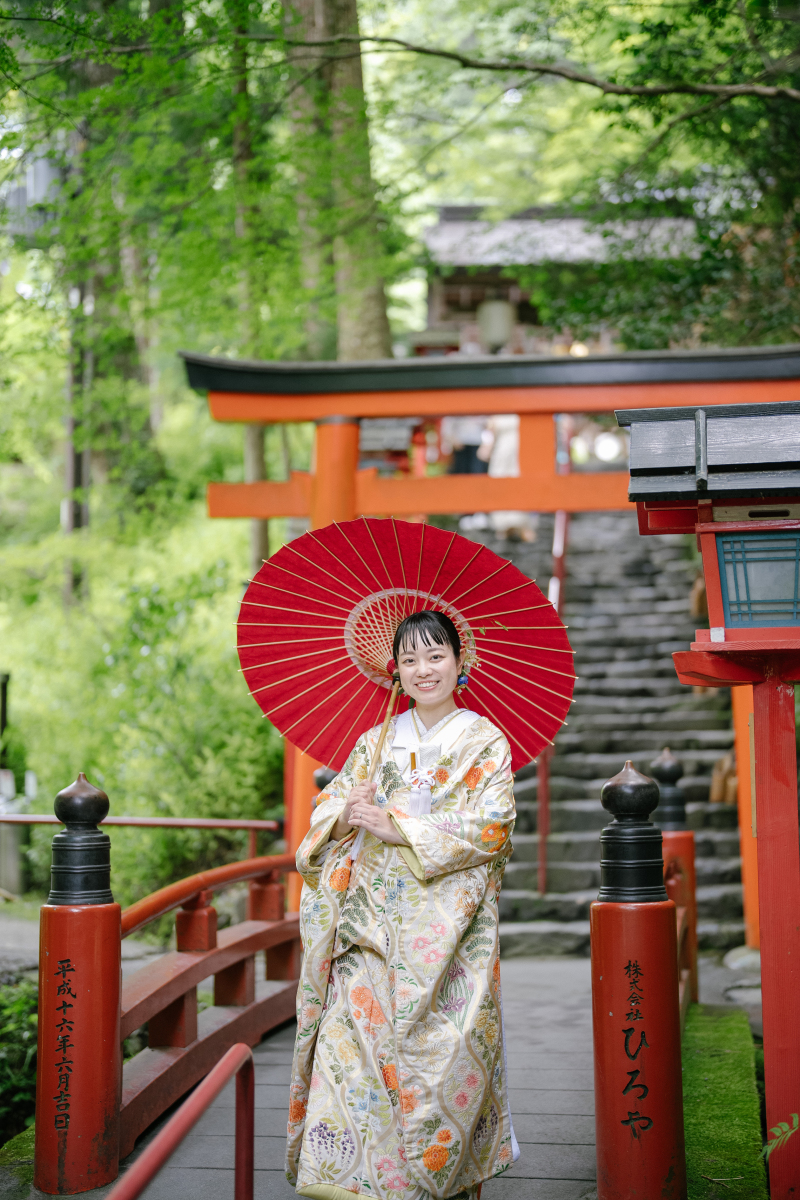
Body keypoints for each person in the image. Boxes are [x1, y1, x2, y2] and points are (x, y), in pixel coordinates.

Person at [286, 610, 519, 1200]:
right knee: (350, 1057)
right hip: (367, 932)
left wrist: (402, 829)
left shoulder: (483, 740)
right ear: (395, 669)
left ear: (460, 660)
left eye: (435, 655)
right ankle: (350, 1184)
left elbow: (493, 826)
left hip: (446, 942)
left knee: (440, 1065)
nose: (423, 669)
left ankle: (430, 1186)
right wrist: (346, 811)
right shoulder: (375, 742)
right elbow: (323, 822)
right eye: (410, 659)